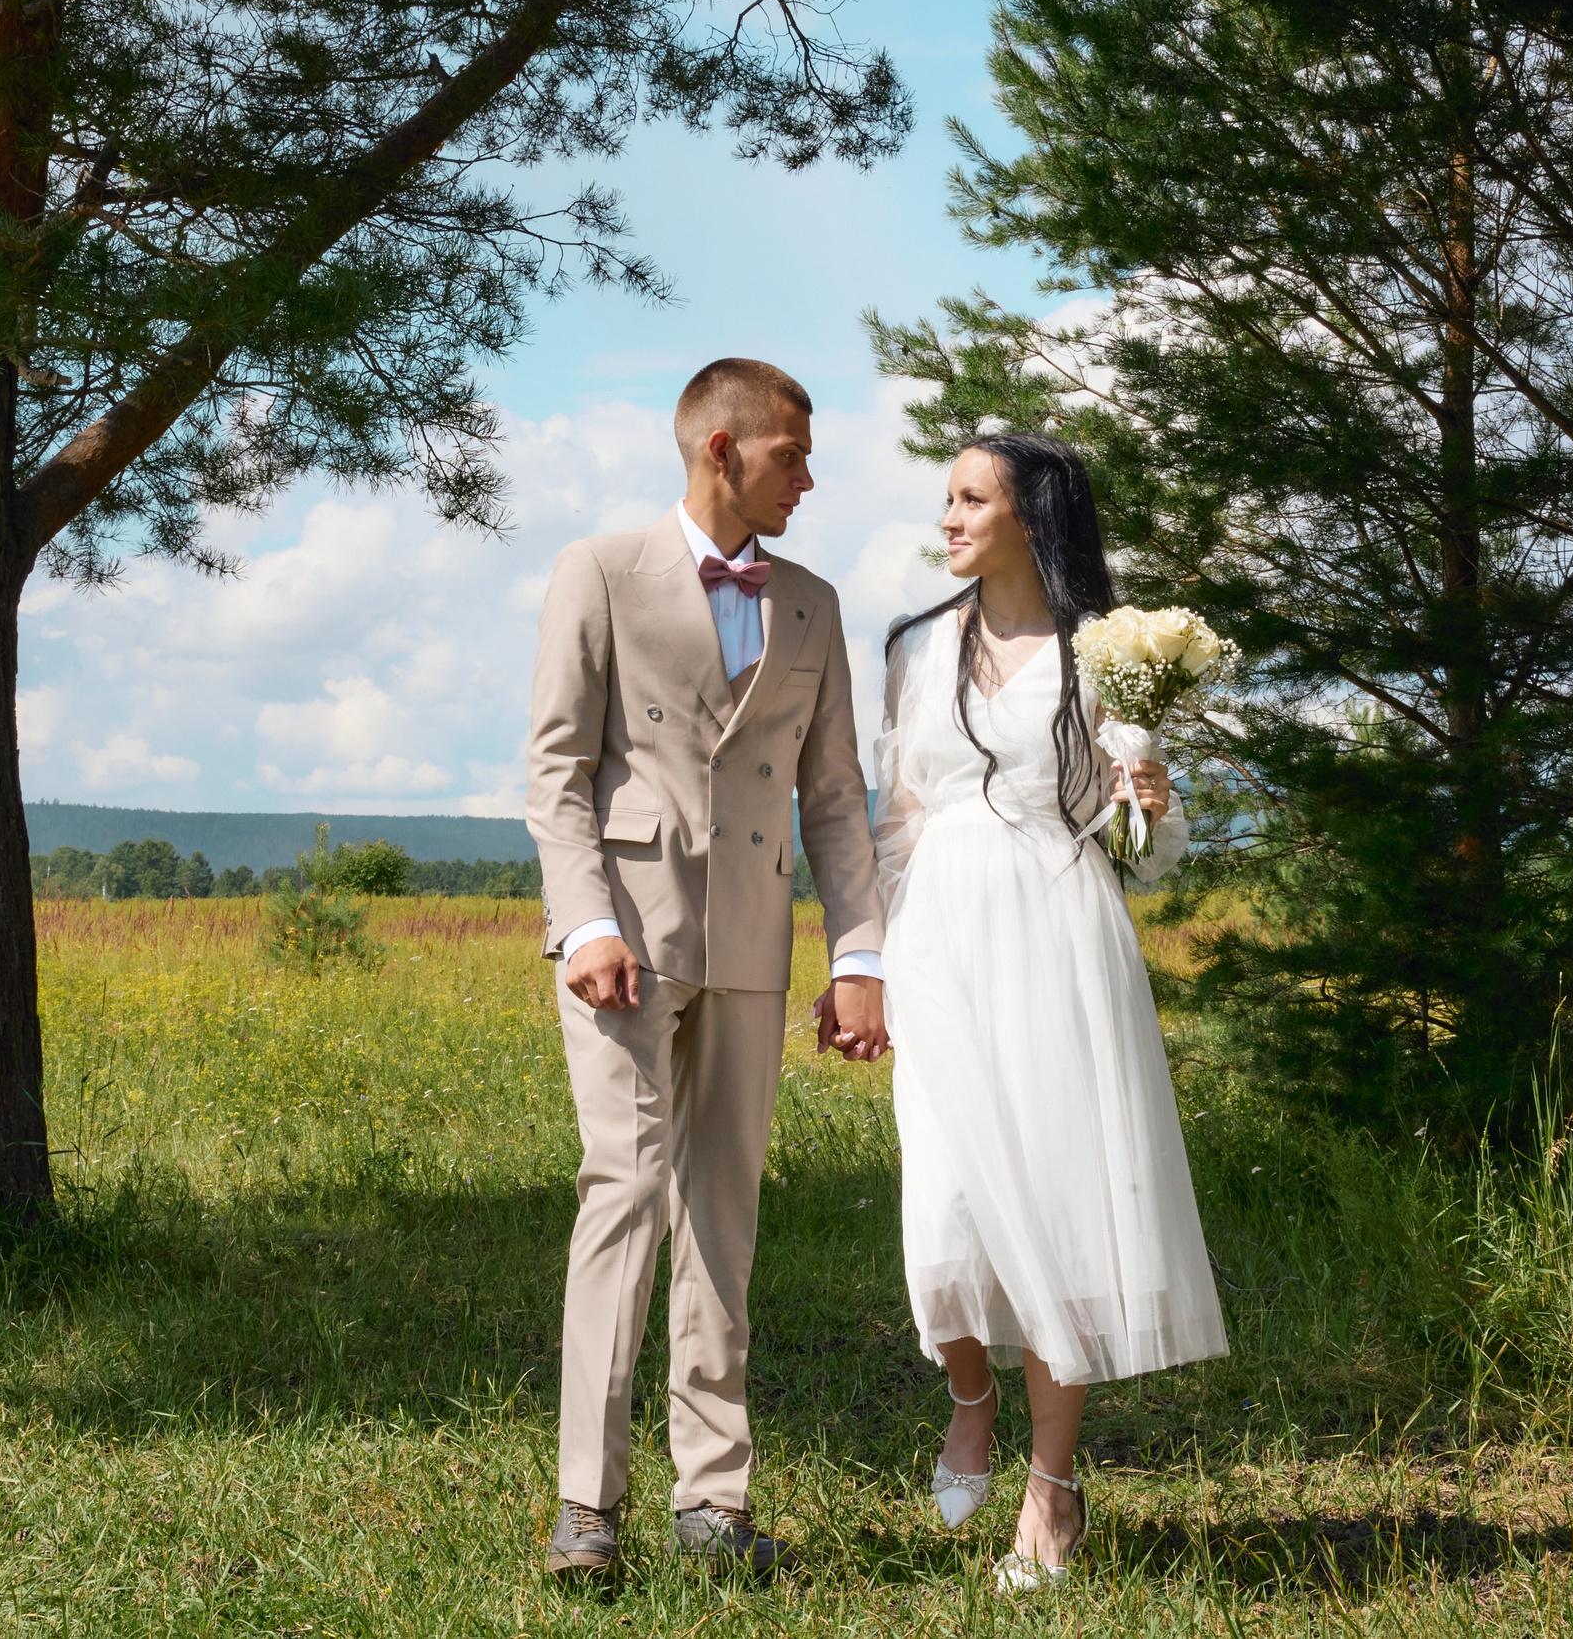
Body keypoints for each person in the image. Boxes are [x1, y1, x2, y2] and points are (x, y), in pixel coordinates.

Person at [524, 357, 890, 1580]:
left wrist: (856, 954)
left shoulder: (813, 601)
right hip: (620, 944)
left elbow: (833, 798)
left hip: (749, 941)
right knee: (622, 1192)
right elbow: (557, 770)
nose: (808, 474)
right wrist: (583, 926)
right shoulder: (603, 570)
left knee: (722, 1218)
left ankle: (713, 1502)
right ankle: (588, 1501)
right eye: (791, 451)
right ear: (719, 448)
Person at [869, 432, 1227, 1591]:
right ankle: (969, 1395)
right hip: (939, 941)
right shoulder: (918, 646)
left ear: (1032, 515)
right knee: (943, 1216)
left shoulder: (1104, 654)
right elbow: (896, 815)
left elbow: (1140, 847)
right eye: (948, 497)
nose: (949, 516)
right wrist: (869, 955)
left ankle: (1051, 1484)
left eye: (970, 498)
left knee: (1056, 1212)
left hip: (1058, 937)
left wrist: (1147, 803)